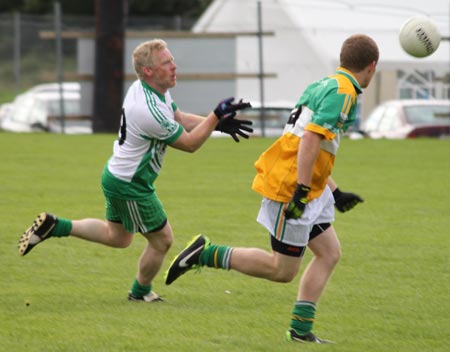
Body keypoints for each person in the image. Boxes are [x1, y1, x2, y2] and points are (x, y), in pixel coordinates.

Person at [164, 34, 379, 343]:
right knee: (282, 270)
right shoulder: (343, 92)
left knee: (329, 253)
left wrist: (333, 190)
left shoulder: (325, 84)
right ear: (372, 66)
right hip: (291, 187)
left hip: (307, 186)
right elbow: (308, 141)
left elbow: (305, 141)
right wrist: (302, 191)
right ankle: (206, 254)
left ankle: (301, 331)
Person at [18, 38, 252, 302]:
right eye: (167, 63)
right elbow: (189, 144)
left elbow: (180, 119)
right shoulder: (147, 111)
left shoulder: (151, 89)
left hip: (118, 176)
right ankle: (140, 292)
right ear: (149, 71)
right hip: (131, 183)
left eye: (172, 59)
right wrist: (214, 116)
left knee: (118, 237)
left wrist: (217, 123)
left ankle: (55, 225)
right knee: (162, 240)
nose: (174, 66)